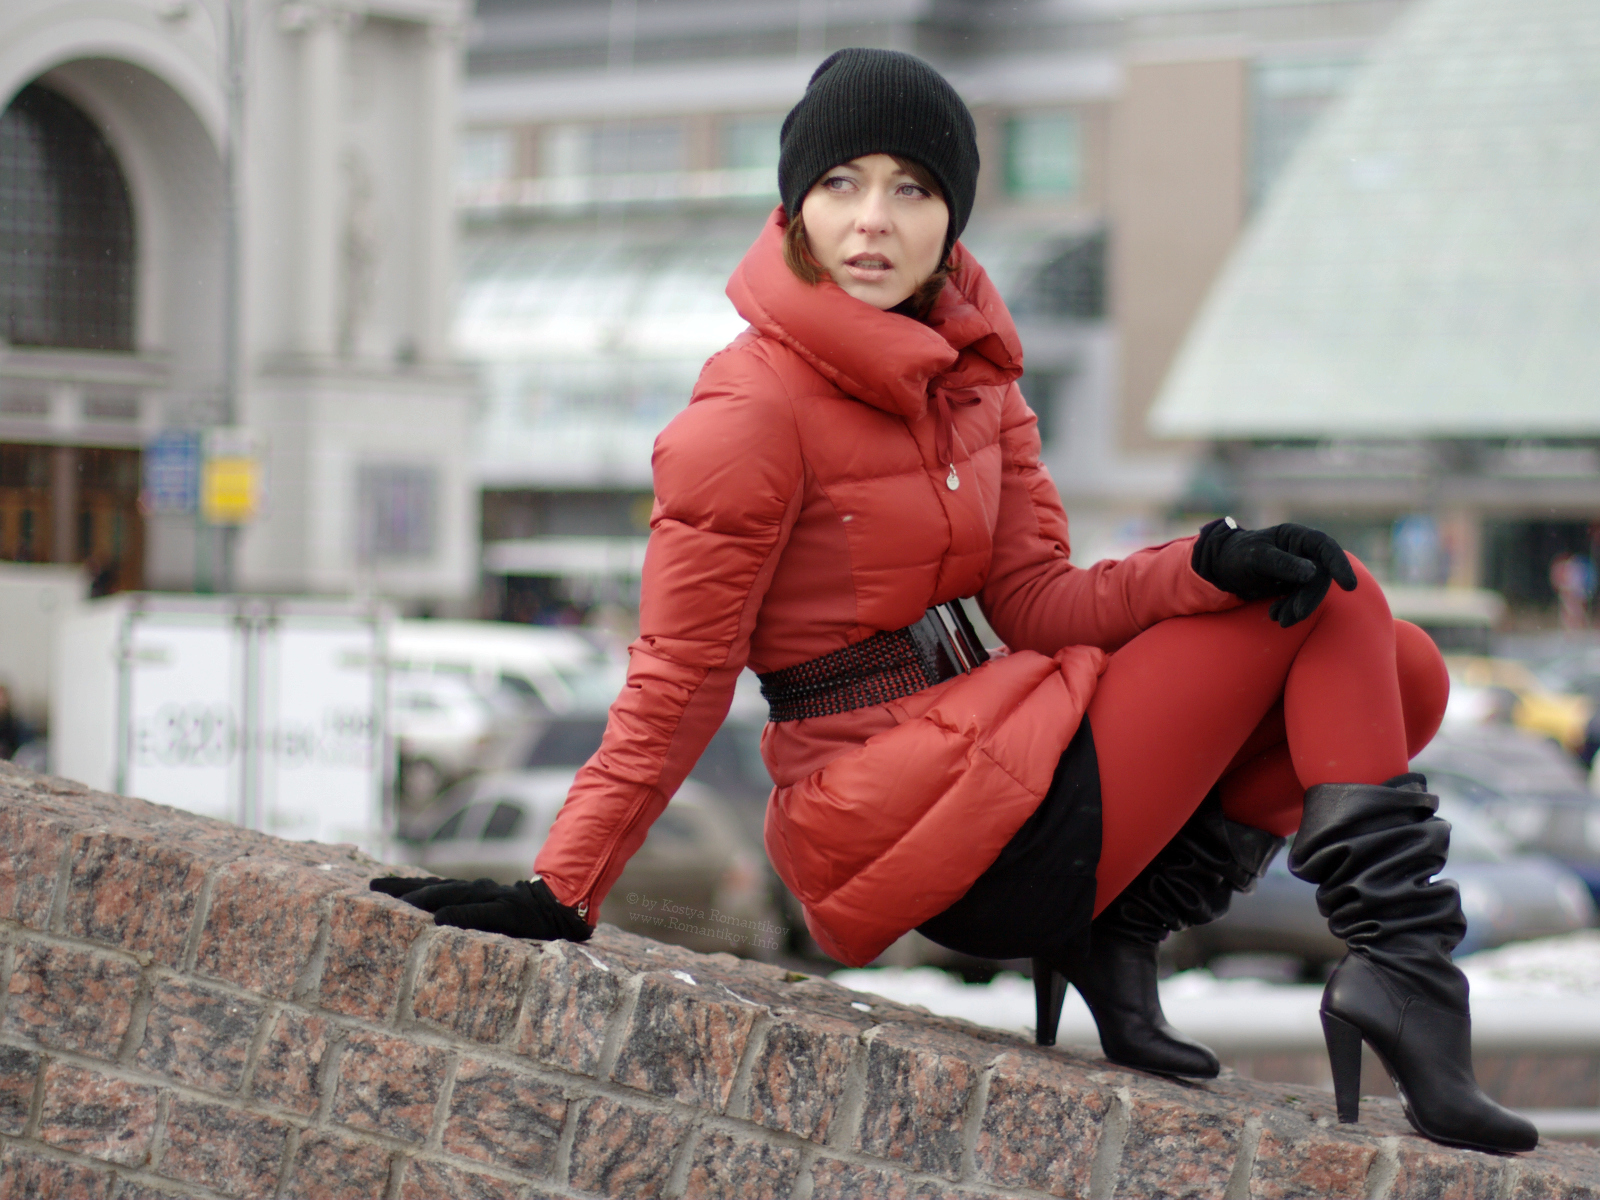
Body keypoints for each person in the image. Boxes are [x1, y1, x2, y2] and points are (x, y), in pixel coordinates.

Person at [375, 49, 1535, 1154]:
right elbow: (681, 676)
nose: (872, 220)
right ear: (793, 207)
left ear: (952, 216)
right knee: (1343, 605)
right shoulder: (748, 409)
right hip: (902, 817)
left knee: (1402, 664)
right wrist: (561, 888)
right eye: (840, 183)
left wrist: (1207, 564)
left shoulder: (974, 378)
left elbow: (1035, 600)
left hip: (1004, 746)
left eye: (912, 188)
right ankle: (1404, 974)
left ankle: (1123, 936)